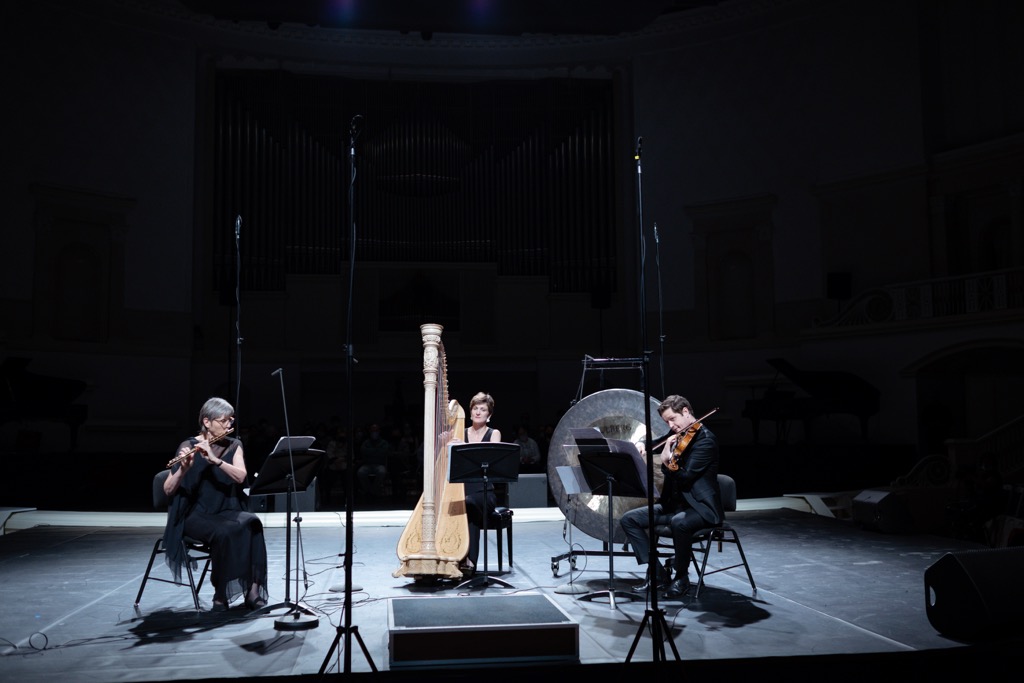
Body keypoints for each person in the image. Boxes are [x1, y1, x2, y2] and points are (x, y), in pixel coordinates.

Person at [162, 397, 269, 611]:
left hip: (227, 508)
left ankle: (253, 590)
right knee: (224, 532)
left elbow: (240, 476)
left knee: (253, 523)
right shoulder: (188, 446)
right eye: (224, 420)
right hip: (195, 514)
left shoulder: (234, 445)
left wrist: (216, 460)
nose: (229, 425)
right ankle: (220, 594)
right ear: (207, 422)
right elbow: (168, 489)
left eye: (231, 420)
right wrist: (183, 469)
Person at [619, 394, 722, 599]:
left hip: (700, 508)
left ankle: (681, 578)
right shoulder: (679, 432)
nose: (671, 426)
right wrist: (642, 444)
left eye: (672, 419)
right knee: (629, 519)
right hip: (674, 506)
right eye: (667, 422)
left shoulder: (706, 441)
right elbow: (658, 443)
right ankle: (657, 573)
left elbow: (686, 477)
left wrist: (666, 461)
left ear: (685, 411)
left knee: (679, 523)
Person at [457, 391, 502, 575]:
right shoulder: (460, 433)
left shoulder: (494, 433)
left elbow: (491, 461)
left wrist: (463, 448)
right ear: (470, 412)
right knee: (468, 506)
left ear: (489, 415)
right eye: (475, 408)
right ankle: (461, 559)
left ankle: (468, 559)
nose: (478, 412)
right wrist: (446, 444)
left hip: (485, 492)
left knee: (470, 504)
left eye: (483, 409)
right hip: (464, 491)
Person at [357, 423, 391, 497]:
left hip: (380, 464)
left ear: (379, 431)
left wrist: (370, 452)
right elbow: (363, 451)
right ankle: (368, 490)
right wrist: (376, 451)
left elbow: (383, 453)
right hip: (367, 464)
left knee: (382, 472)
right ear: (370, 431)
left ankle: (373, 491)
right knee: (360, 472)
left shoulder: (384, 442)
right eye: (373, 430)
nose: (374, 432)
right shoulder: (366, 442)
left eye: (376, 430)